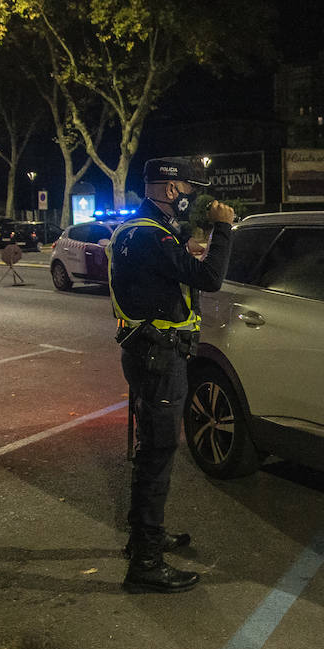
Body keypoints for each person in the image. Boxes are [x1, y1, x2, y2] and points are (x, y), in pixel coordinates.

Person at [108, 156, 235, 594]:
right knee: (158, 454)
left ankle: (143, 536)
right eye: (189, 188)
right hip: (158, 358)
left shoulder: (136, 230)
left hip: (146, 352)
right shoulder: (150, 236)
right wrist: (223, 229)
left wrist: (188, 247)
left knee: (150, 451)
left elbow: (168, 269)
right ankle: (145, 562)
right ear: (169, 190)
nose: (194, 197)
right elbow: (211, 278)